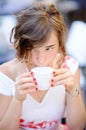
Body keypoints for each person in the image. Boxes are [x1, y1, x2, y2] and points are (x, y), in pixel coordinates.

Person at [0, 2, 85, 130]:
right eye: (32, 49)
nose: (41, 60)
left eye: (49, 48)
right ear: (22, 45)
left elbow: (77, 127)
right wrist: (17, 99)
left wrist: (73, 90)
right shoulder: (6, 74)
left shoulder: (69, 67)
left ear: (60, 43)